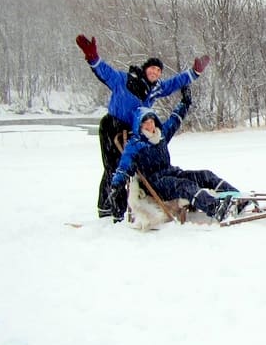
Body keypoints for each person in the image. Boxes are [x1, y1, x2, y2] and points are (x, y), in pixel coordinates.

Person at [75, 34, 211, 219]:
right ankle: (107, 208)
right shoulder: (124, 80)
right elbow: (105, 72)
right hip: (112, 126)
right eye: (152, 69)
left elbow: (174, 83)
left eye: (158, 71)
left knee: (133, 170)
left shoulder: (155, 88)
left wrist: (194, 72)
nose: (155, 73)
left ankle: (128, 205)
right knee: (113, 168)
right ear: (145, 69)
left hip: (132, 130)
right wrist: (93, 57)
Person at [106, 88, 239, 223]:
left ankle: (236, 197)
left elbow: (174, 120)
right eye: (145, 122)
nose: (149, 125)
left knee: (205, 175)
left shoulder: (160, 135)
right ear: (139, 125)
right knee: (184, 185)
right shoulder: (135, 145)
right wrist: (116, 185)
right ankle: (215, 207)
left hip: (172, 172)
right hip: (155, 184)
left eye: (151, 121)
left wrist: (185, 102)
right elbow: (123, 167)